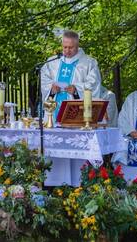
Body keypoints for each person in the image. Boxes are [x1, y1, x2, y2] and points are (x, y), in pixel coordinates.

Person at [40, 30, 102, 186]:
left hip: (77, 117)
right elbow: (44, 83)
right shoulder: (51, 63)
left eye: (71, 47)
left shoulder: (89, 63)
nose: (67, 51)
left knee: (76, 156)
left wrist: (76, 89)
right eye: (65, 47)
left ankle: (79, 186)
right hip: (53, 116)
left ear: (77, 45)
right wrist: (51, 90)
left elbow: (93, 86)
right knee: (55, 154)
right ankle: (53, 186)